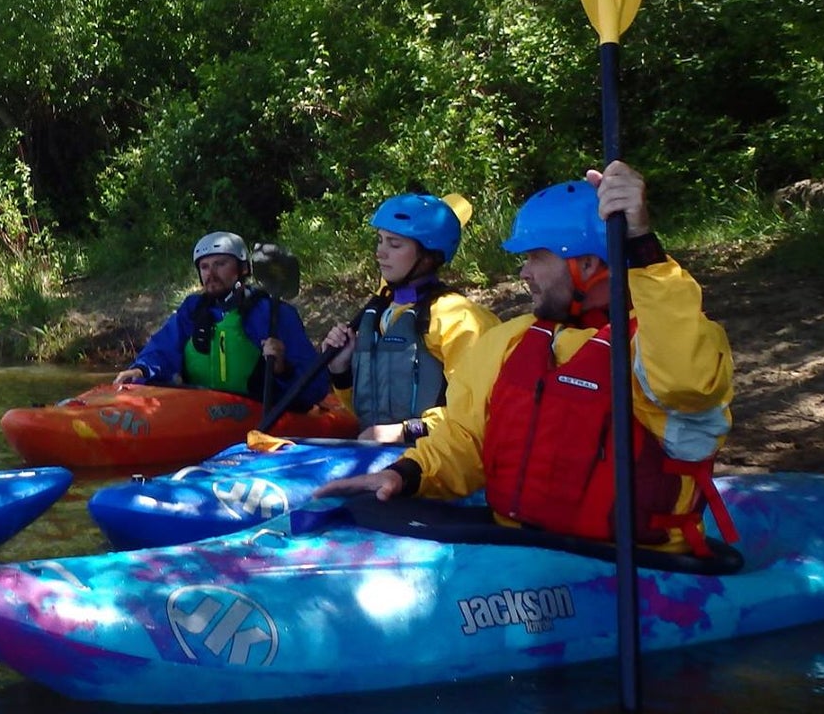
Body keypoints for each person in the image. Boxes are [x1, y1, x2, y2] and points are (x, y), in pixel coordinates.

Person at [315, 162, 736, 554]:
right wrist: (405, 475)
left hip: (630, 562)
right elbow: (466, 438)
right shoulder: (510, 341)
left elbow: (686, 385)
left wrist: (643, 245)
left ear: (586, 265)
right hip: (523, 552)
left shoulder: (657, 346)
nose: (523, 273)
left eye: (536, 257)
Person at [317, 192, 499, 443]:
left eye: (394, 244)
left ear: (428, 256)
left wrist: (405, 431)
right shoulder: (382, 313)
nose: (380, 253)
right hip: (380, 458)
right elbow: (365, 414)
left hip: (437, 461)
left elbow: (478, 412)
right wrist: (341, 370)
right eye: (380, 241)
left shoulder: (459, 319)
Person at [113, 231, 332, 409]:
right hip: (200, 415)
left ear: (243, 268)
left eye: (220, 264)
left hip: (256, 416)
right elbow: (162, 349)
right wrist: (140, 370)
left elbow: (317, 387)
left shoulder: (272, 313)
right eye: (205, 267)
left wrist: (282, 369)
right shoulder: (193, 310)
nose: (211, 273)